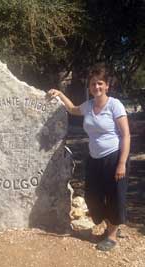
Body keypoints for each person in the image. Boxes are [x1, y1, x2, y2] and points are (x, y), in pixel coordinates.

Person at [47, 63, 130, 251]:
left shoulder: (115, 105)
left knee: (115, 197)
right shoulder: (89, 105)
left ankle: (111, 236)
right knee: (93, 197)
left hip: (114, 157)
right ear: (90, 87)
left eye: (100, 83)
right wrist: (59, 94)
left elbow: (125, 135)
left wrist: (122, 163)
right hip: (94, 158)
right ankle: (107, 228)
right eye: (93, 84)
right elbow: (73, 109)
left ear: (107, 86)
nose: (96, 87)